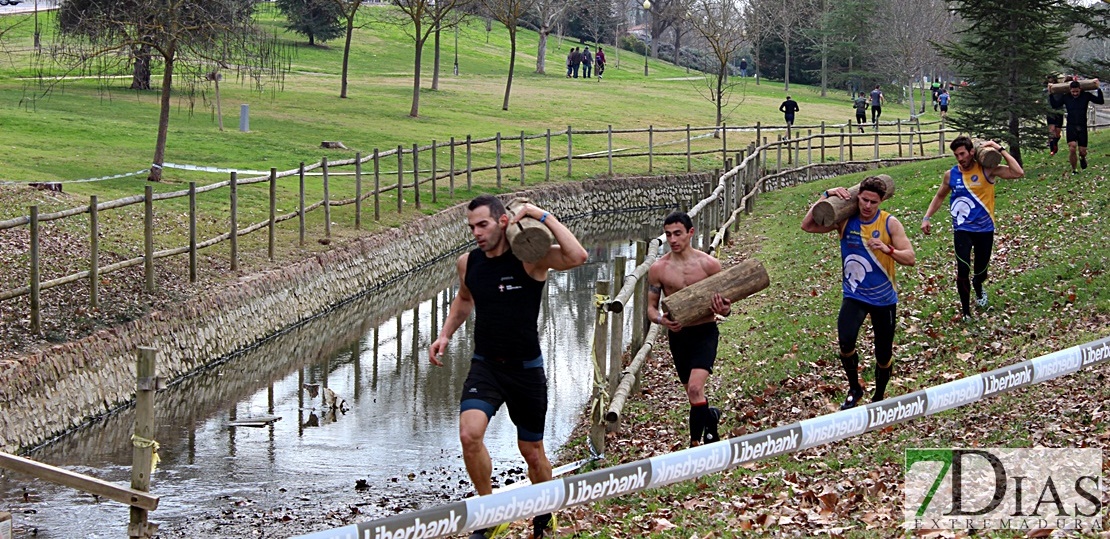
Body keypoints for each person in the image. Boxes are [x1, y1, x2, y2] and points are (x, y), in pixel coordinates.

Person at [429, 195, 588, 539]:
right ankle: (489, 512)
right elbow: (465, 298)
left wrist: (540, 215)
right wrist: (444, 334)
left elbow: (578, 256)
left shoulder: (530, 259)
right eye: (471, 227)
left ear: (503, 222)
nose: (476, 233)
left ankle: (545, 514)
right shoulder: (468, 263)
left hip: (526, 371)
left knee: (532, 452)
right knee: (469, 435)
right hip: (486, 366)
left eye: (482, 225)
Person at [801, 177, 916, 409]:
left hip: (884, 299)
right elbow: (807, 225)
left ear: (880, 201)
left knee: (883, 355)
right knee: (845, 342)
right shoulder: (845, 222)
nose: (867, 206)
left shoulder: (889, 223)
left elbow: (910, 258)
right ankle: (855, 388)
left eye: (873, 202)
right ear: (857, 198)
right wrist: (826, 194)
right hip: (854, 295)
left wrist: (888, 249)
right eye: (864, 200)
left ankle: (879, 397)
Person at [646, 212, 732, 447]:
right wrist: (662, 320)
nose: (673, 239)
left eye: (677, 234)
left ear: (690, 233)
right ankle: (711, 418)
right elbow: (651, 309)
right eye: (668, 234)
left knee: (695, 388)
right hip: (678, 336)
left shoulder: (709, 265)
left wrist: (724, 310)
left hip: (705, 331)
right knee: (693, 394)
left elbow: (727, 306)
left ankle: (695, 445)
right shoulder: (658, 269)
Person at [921, 136, 1024, 320]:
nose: (960, 158)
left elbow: (1018, 173)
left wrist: (999, 148)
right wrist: (927, 217)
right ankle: (966, 312)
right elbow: (939, 197)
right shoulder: (951, 175)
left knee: (980, 271)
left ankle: (978, 286)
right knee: (962, 269)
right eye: (956, 155)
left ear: (971, 152)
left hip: (985, 229)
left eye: (962, 154)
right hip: (962, 229)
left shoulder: (987, 170)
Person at [1049, 79, 1104, 174]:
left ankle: (1082, 158)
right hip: (1071, 126)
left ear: (1080, 89)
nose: (1075, 93)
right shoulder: (1066, 97)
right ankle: (1074, 169)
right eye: (1073, 91)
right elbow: (1055, 105)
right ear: (1070, 90)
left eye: (1077, 91)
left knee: (1082, 151)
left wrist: (1098, 88)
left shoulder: (1086, 96)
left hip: (1082, 126)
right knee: (1072, 147)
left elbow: (1100, 101)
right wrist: (1050, 94)